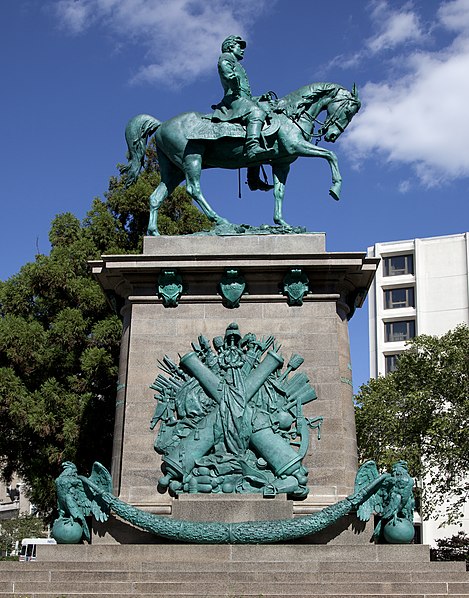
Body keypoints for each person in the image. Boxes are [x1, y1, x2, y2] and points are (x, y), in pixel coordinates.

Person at [212, 35, 274, 191]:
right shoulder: (226, 57)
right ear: (230, 47)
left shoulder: (239, 65)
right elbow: (226, 72)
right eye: (239, 46)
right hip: (232, 100)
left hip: (242, 100)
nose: (242, 49)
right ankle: (252, 147)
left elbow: (246, 95)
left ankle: (253, 178)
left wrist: (260, 98)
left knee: (265, 115)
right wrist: (231, 78)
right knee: (257, 113)